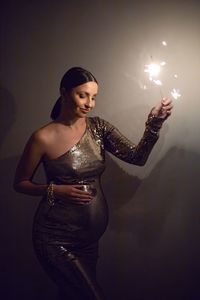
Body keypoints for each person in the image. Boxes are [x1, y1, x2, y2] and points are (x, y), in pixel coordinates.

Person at [13, 67, 173, 300]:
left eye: (94, 97)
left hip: (88, 240)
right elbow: (20, 183)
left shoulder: (99, 127)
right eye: (82, 95)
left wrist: (154, 123)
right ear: (64, 92)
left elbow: (137, 158)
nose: (90, 103)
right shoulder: (43, 137)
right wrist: (54, 190)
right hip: (55, 239)